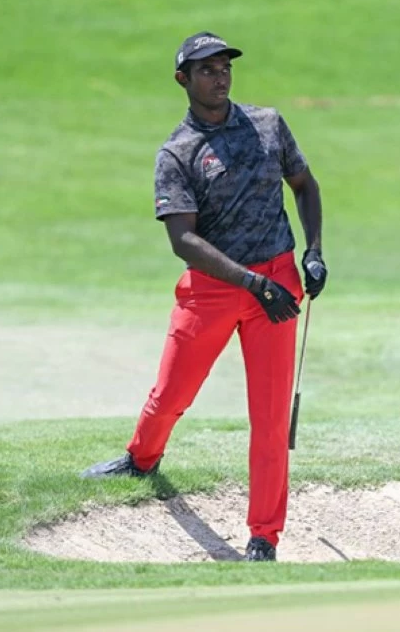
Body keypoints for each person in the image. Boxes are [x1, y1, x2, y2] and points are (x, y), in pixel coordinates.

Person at [81, 32, 327, 563]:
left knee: (269, 416)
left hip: (276, 283)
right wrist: (252, 283)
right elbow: (183, 241)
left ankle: (265, 535)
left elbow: (304, 186)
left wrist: (314, 252)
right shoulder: (177, 152)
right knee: (172, 393)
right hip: (213, 290)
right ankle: (142, 458)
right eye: (207, 70)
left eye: (225, 68)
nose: (220, 77)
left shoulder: (267, 124)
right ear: (183, 80)